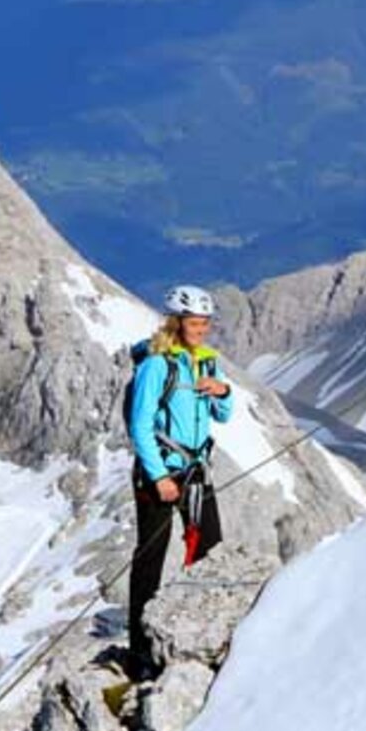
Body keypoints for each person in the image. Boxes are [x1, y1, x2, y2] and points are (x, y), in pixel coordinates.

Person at [124, 284, 232, 680]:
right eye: (194, 322)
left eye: (205, 322)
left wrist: (222, 390)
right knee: (150, 556)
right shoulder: (156, 364)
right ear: (176, 322)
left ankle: (203, 636)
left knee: (211, 549)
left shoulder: (207, 362)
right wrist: (159, 477)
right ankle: (139, 651)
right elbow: (139, 425)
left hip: (196, 472)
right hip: (162, 475)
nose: (201, 329)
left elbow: (223, 414)